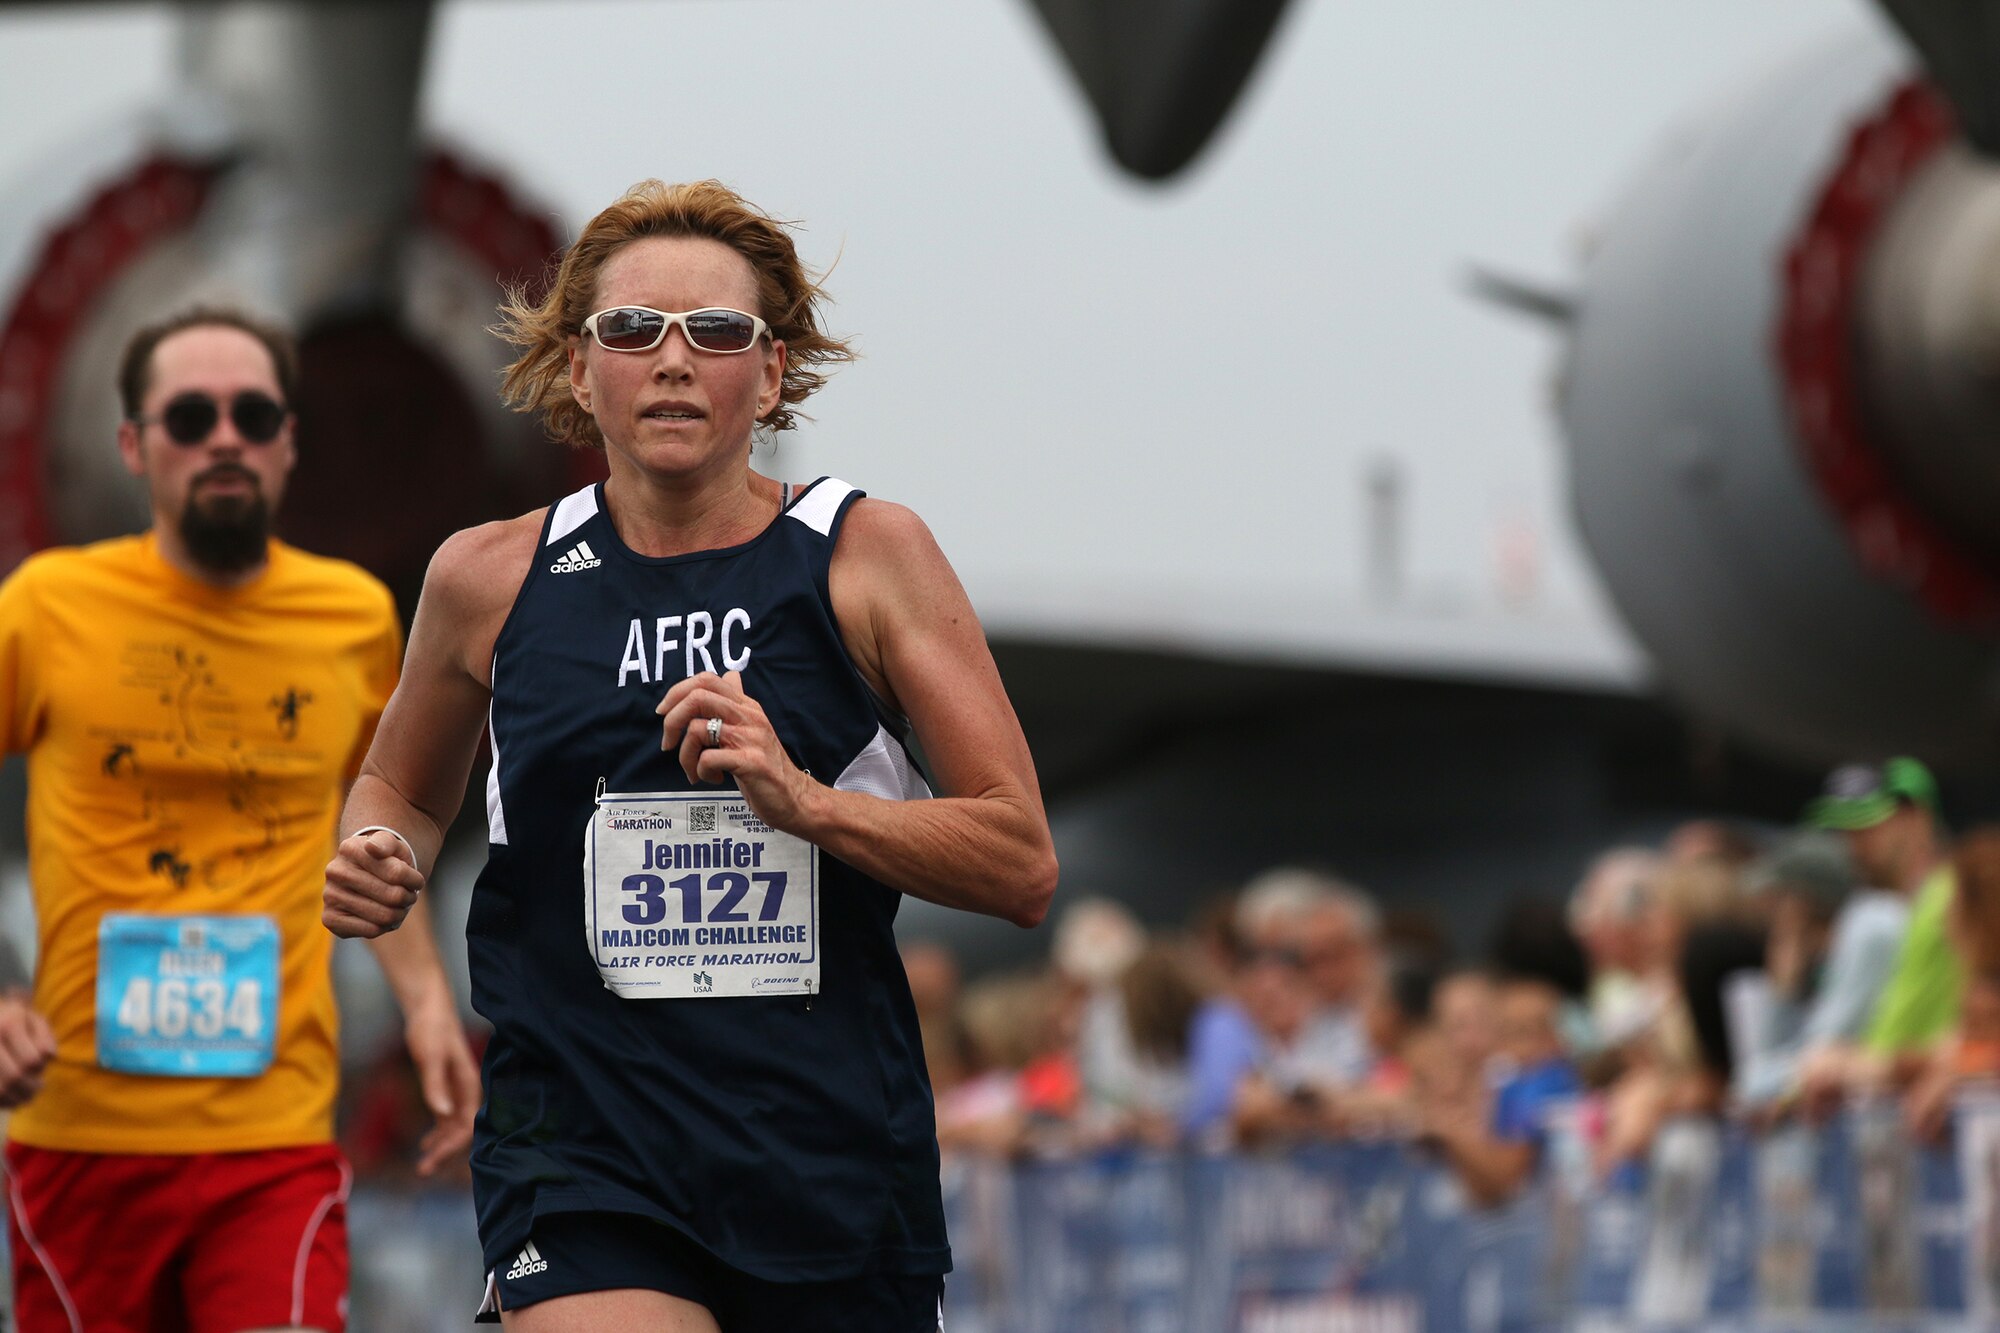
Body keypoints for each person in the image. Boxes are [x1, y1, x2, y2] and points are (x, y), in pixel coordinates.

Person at [321, 179, 1059, 1332]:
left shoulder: (865, 557)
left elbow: (1018, 863)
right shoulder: (487, 577)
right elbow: (399, 788)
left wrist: (804, 802)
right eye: (631, 329)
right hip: (579, 1145)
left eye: (716, 333)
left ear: (767, 376)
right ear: (579, 369)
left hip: (824, 1157)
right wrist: (378, 848)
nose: (672, 360)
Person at [0, 306, 478, 1331]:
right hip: (80, 1143)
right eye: (190, 415)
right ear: (133, 444)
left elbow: (378, 830)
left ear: (290, 442)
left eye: (254, 414)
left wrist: (430, 1005)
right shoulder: (46, 606)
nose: (225, 436)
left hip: (274, 1140)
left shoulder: (352, 616)